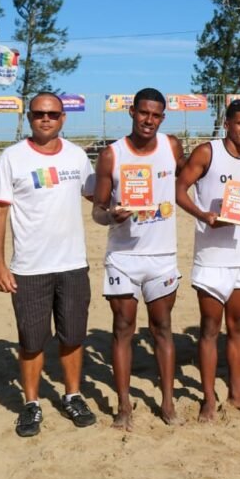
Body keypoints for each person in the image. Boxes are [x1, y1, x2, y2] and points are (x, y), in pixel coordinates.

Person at [0, 92, 97, 437]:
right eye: (38, 114)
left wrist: (123, 205)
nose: (45, 119)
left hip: (73, 264)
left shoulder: (77, 155)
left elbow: (96, 195)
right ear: (29, 118)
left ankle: (72, 395)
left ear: (63, 118)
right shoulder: (12, 158)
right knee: (32, 341)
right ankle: (32, 403)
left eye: (51, 114)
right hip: (30, 268)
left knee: (73, 336)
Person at [91, 87, 185, 430]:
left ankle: (168, 403)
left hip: (162, 257)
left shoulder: (171, 147)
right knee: (123, 329)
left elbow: (195, 174)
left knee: (162, 329)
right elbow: (97, 211)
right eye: (144, 113)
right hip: (123, 258)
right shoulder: (111, 155)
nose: (149, 120)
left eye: (156, 115)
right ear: (132, 112)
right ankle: (123, 405)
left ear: (163, 118)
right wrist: (111, 216)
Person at [176, 99, 240, 421]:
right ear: (227, 124)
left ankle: (236, 394)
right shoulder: (207, 152)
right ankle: (209, 397)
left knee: (239, 328)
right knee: (210, 329)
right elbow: (179, 190)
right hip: (212, 258)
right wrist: (203, 215)